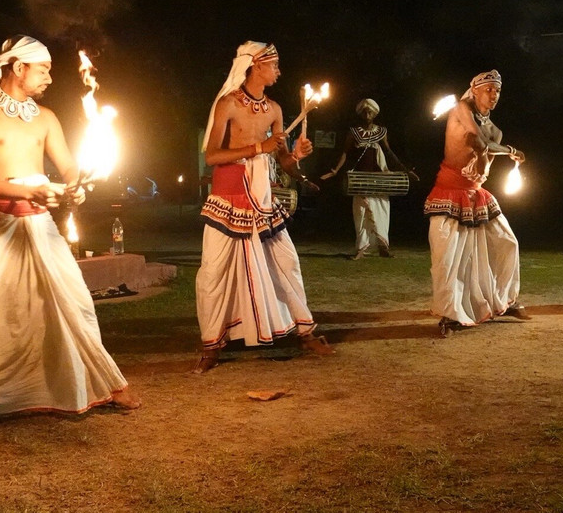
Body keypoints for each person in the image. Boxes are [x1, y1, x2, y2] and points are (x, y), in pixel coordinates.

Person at [0, 36, 138, 452]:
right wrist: (26, 193)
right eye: (44, 69)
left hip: (39, 223)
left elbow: (70, 168)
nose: (50, 78)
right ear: (18, 68)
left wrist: (76, 188)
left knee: (74, 302)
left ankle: (108, 382)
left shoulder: (47, 118)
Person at [194, 41, 335, 373]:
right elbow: (212, 156)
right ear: (256, 66)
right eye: (274, 65)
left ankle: (306, 331)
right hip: (228, 198)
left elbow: (281, 159)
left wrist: (296, 156)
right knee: (214, 273)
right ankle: (210, 345)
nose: (279, 71)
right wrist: (259, 146)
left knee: (287, 263)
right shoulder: (228, 104)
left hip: (262, 199)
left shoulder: (274, 109)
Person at [424, 70, 528, 335]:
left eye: (497, 91)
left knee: (508, 243)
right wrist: (510, 152)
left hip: (475, 193)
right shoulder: (460, 108)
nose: (494, 95)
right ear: (475, 91)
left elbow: (486, 151)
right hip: (449, 190)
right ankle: (449, 314)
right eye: (489, 89)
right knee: (447, 257)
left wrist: (490, 155)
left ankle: (506, 300)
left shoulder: (496, 130)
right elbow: (476, 138)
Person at [320, 98, 417, 259]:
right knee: (361, 212)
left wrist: (406, 170)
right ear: (361, 113)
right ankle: (361, 249)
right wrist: (335, 170)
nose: (367, 114)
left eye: (370, 112)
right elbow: (345, 152)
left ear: (375, 114)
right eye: (365, 112)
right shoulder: (353, 132)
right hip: (360, 178)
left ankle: (383, 247)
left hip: (379, 178)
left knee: (382, 212)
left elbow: (388, 152)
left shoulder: (381, 131)